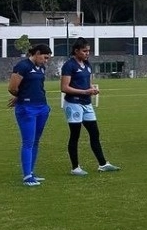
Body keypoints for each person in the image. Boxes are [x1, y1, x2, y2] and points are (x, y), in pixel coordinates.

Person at [60, 40, 119, 176]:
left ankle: (103, 164)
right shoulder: (69, 65)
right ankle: (75, 167)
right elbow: (64, 87)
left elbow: (87, 82)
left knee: (94, 133)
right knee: (75, 135)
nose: (87, 54)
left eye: (88, 51)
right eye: (84, 51)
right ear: (76, 51)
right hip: (74, 104)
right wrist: (85, 92)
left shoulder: (86, 64)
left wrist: (91, 88)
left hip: (87, 104)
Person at [8, 43, 53, 186]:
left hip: (41, 107)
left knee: (35, 141)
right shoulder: (22, 66)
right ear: (37, 53)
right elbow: (13, 87)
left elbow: (34, 86)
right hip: (27, 108)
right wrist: (21, 97)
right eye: (45, 57)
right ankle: (27, 176)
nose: (46, 61)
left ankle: (31, 172)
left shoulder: (41, 68)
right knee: (28, 141)